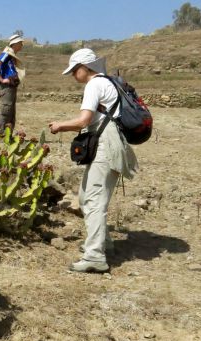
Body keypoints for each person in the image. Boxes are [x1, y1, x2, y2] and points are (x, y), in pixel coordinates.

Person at [48, 48, 138, 273]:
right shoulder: (108, 82)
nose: (72, 75)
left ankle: (95, 256)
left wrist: (60, 125)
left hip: (106, 145)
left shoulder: (94, 84)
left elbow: (83, 120)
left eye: (74, 70)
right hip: (112, 143)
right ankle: (103, 242)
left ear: (85, 68)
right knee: (89, 195)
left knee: (94, 199)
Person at [0, 34, 24, 133]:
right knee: (6, 110)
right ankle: (1, 133)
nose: (22, 45)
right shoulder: (7, 54)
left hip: (12, 86)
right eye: (20, 43)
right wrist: (1, 79)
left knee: (11, 111)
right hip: (7, 87)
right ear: (15, 44)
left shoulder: (11, 55)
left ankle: (8, 133)